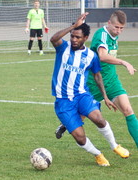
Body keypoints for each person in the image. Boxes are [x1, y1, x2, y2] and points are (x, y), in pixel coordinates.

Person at [50, 12, 129, 167]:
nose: (73, 39)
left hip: (82, 95)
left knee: (98, 118)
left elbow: (97, 76)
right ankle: (97, 154)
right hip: (63, 101)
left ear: (85, 38)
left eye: (77, 37)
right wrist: (74, 26)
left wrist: (105, 97)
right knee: (79, 137)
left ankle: (115, 146)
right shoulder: (63, 48)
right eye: (72, 36)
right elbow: (54, 39)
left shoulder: (91, 56)